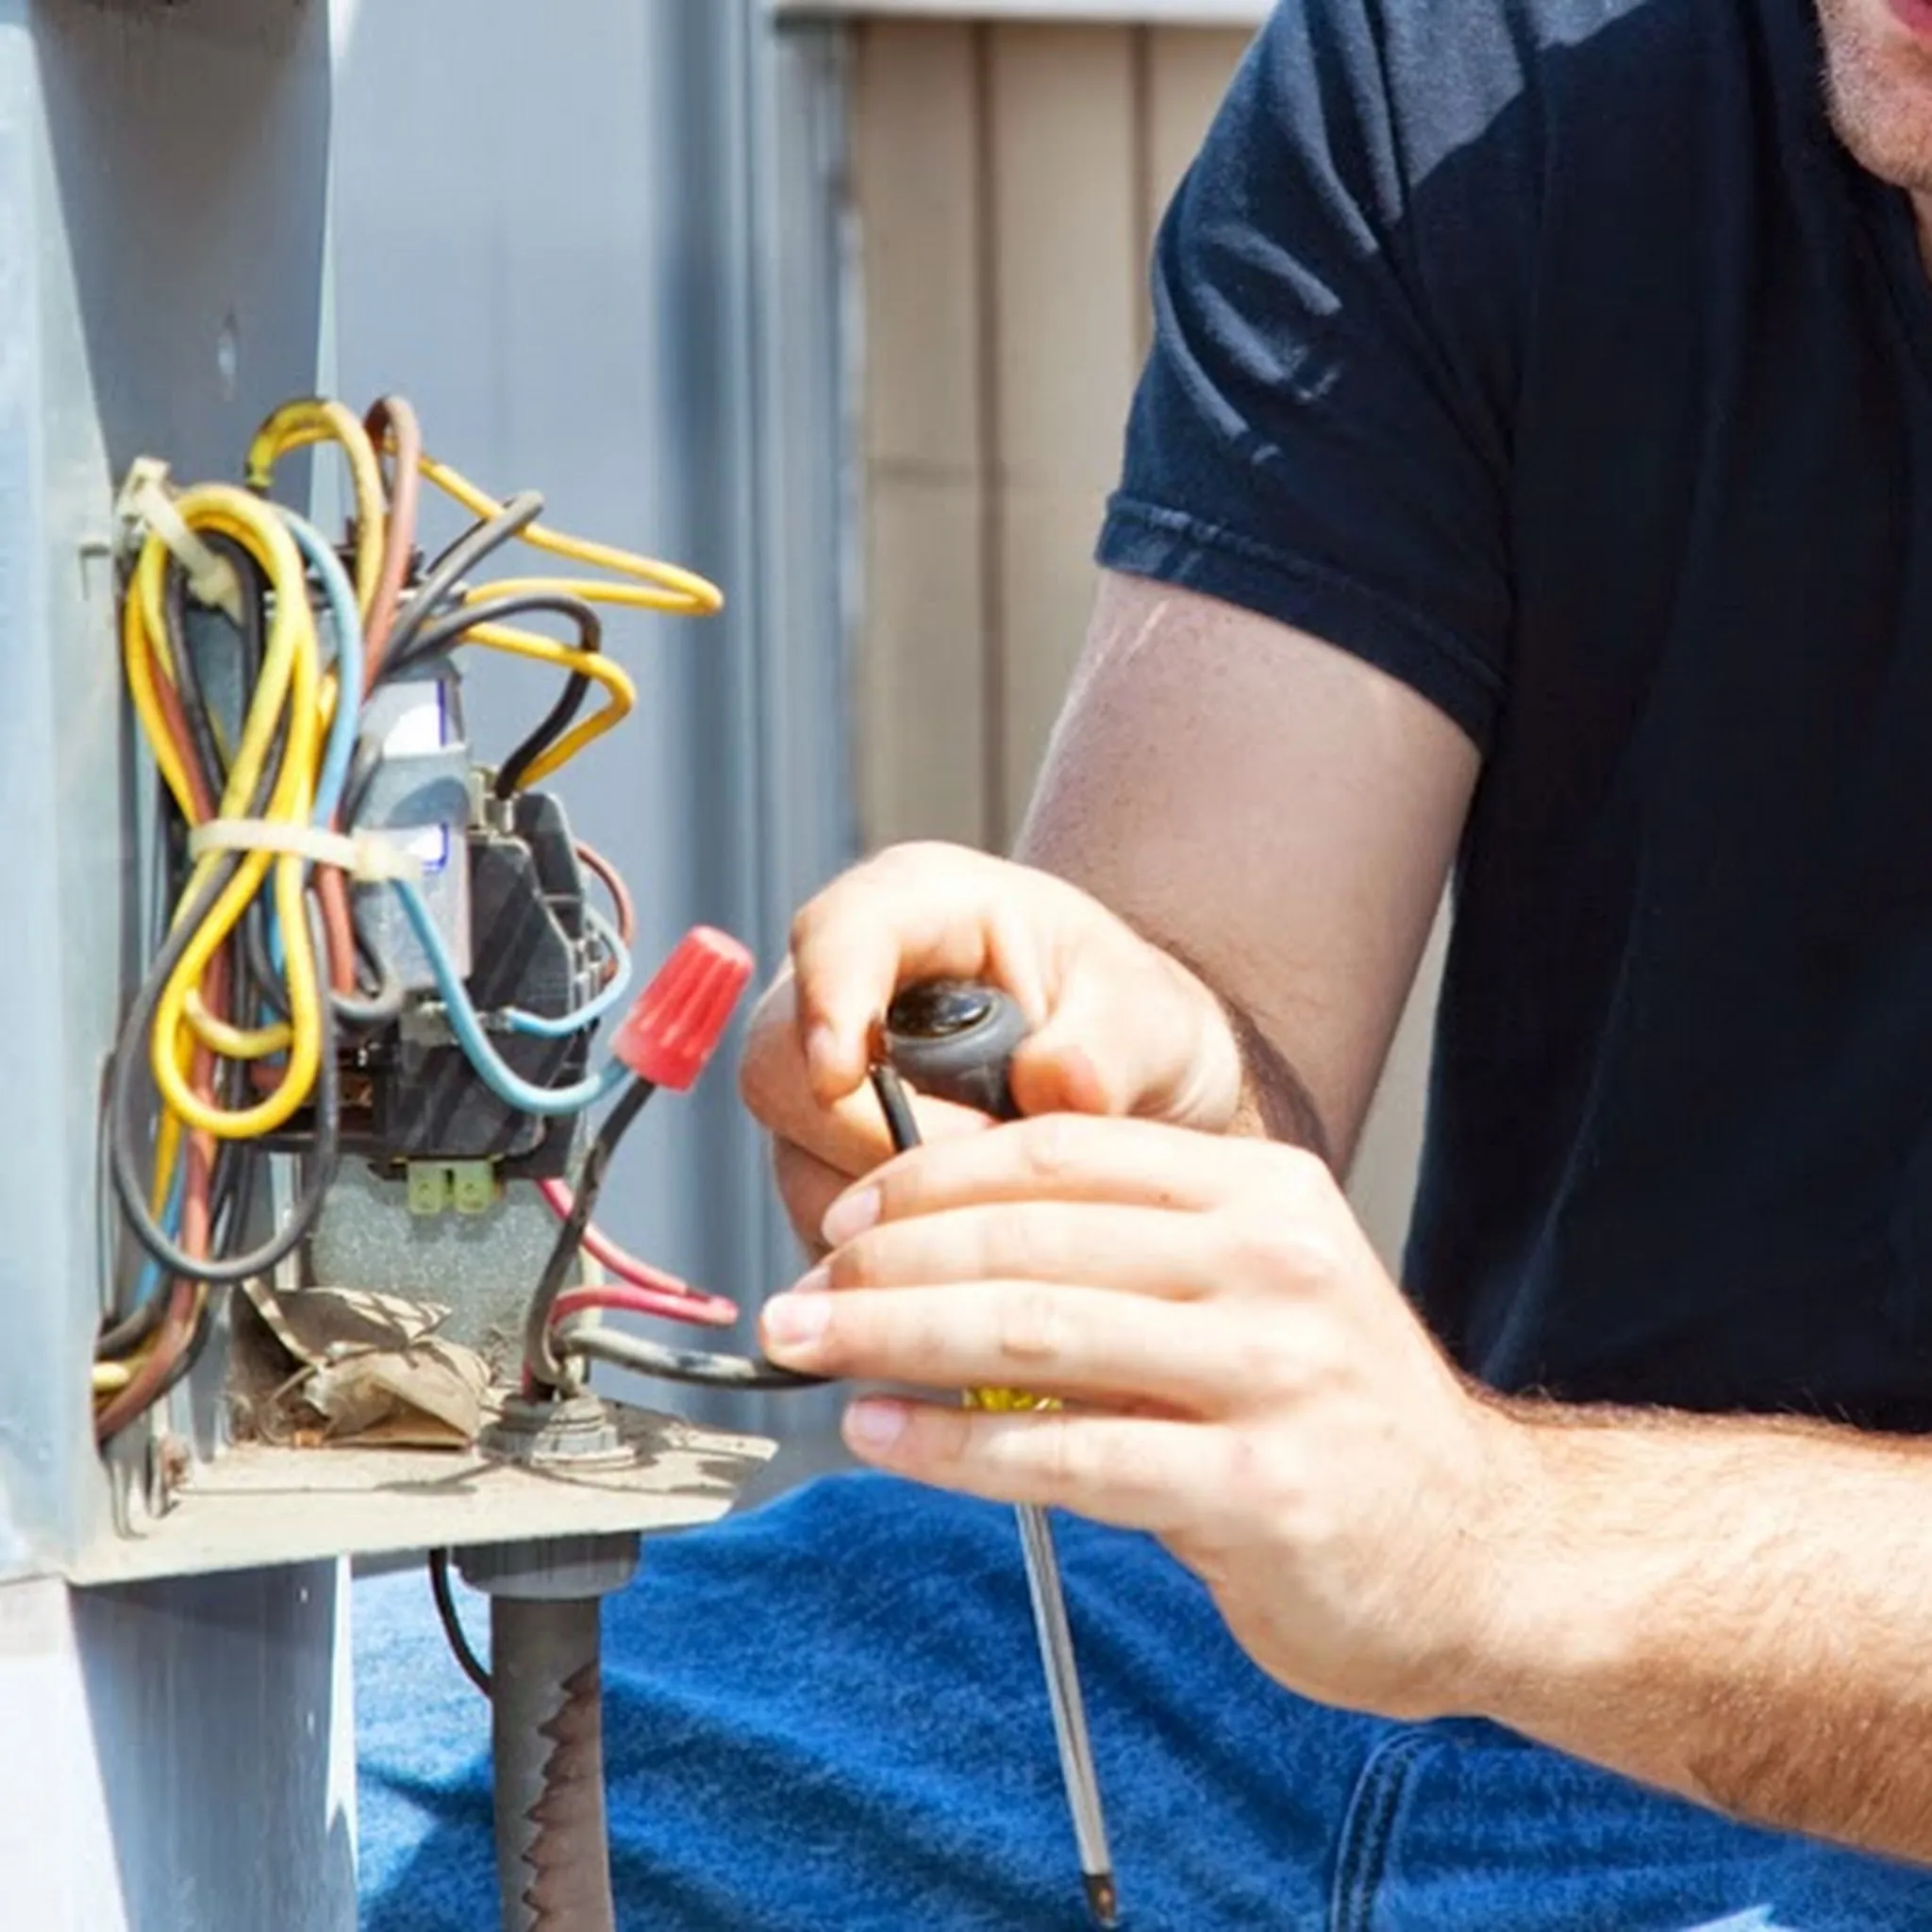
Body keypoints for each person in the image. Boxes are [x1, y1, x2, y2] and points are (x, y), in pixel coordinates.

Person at [356, 0, 1932, 1924]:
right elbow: (1212, 1018)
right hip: (1310, 1663)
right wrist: (1124, 1071)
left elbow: (1459, 1544)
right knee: (278, 1786)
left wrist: (1482, 1536)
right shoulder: (1455, 85)